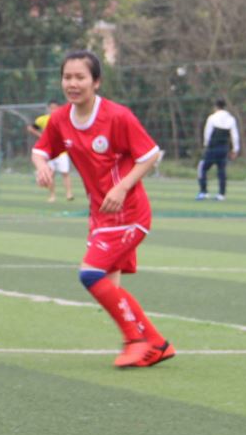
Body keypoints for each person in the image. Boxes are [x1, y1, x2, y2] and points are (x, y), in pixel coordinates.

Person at [32, 51, 173, 369]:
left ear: (96, 82)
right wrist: (41, 166)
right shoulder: (60, 119)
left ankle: (136, 341)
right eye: (67, 77)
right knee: (109, 285)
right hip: (100, 216)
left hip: (130, 213)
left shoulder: (117, 116)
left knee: (90, 274)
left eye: (80, 77)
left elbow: (150, 154)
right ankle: (156, 343)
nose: (72, 83)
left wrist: (123, 187)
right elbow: (40, 150)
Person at [26, 100, 76, 202]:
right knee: (49, 174)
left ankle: (69, 194)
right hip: (48, 152)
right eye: (51, 108)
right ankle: (52, 195)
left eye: (56, 107)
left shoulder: (63, 119)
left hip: (62, 152)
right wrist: (40, 135)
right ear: (48, 109)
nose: (53, 110)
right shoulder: (42, 119)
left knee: (65, 173)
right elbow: (30, 128)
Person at [197, 99, 240, 200]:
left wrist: (206, 145)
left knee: (202, 168)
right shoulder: (231, 119)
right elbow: (235, 135)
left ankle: (204, 192)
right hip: (224, 148)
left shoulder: (212, 118)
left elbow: (207, 133)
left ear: (216, 107)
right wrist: (235, 149)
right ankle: (221, 194)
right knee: (221, 171)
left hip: (213, 147)